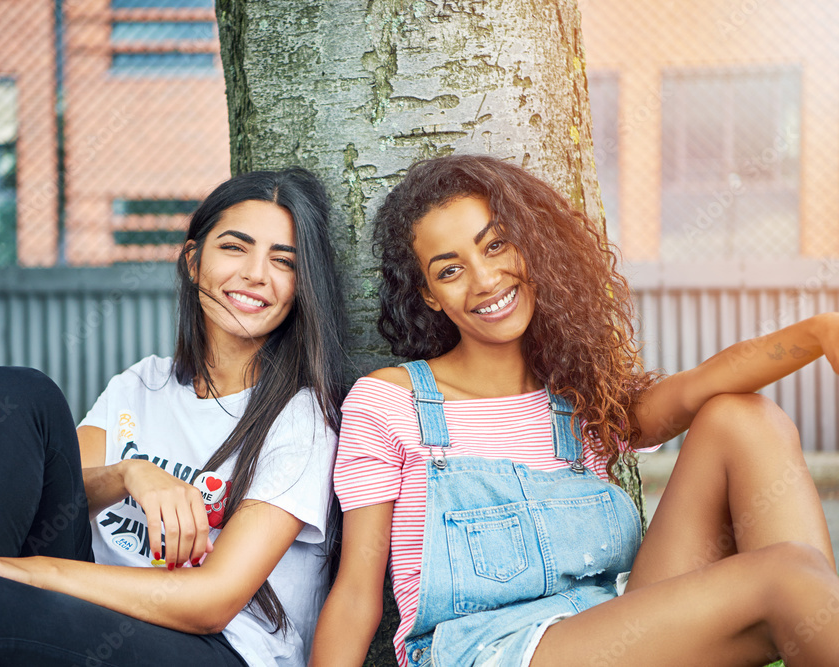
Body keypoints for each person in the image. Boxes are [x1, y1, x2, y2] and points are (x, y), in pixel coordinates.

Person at [309, 154, 839, 667]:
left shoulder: (580, 396)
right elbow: (357, 593)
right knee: (786, 577)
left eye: (496, 245)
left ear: (531, 246)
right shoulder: (389, 401)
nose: (486, 279)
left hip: (615, 628)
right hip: (488, 651)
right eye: (451, 271)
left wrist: (820, 332)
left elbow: (697, 388)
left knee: (743, 418)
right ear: (428, 296)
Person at [0, 168, 346, 667]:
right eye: (234, 248)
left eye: (284, 261)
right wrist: (131, 474)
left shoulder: (300, 418)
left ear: (302, 288)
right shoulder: (142, 384)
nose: (256, 273)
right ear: (193, 262)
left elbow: (212, 602)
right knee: (11, 391)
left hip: (216, 648)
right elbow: (59, 497)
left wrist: (30, 573)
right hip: (91, 619)